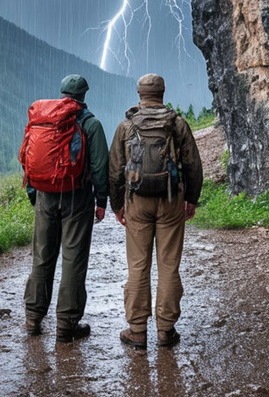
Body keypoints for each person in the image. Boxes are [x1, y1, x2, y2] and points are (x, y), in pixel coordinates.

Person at [108, 73, 202, 349]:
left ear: (139, 94)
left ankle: (137, 330)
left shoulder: (126, 126)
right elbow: (193, 165)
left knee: (138, 265)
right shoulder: (177, 124)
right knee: (168, 265)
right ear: (163, 93)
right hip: (171, 199)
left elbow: (115, 170)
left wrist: (118, 205)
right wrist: (191, 199)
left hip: (137, 201)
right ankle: (165, 330)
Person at [20, 74, 109, 343]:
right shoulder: (90, 124)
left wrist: (34, 192)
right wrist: (101, 200)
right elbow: (99, 166)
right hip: (76, 197)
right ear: (84, 95)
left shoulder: (43, 120)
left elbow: (28, 158)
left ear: (62, 93)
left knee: (42, 257)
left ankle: (33, 318)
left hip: (45, 195)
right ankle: (66, 324)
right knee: (73, 260)